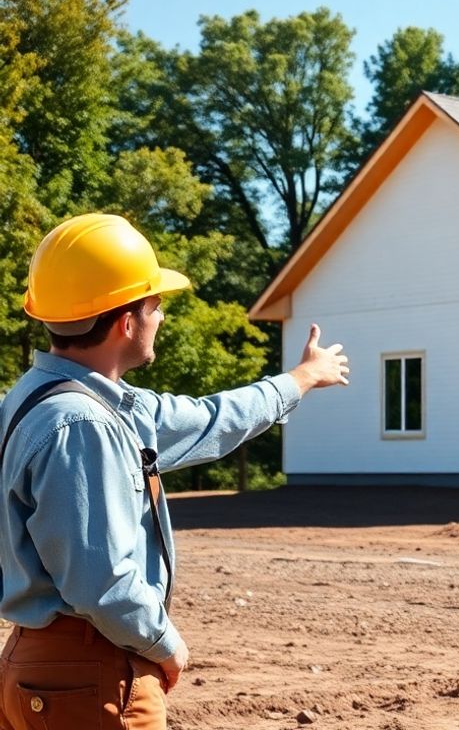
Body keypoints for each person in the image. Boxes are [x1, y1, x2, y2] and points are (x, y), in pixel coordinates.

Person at [0, 213, 349, 729]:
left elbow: (212, 418)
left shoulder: (39, 399)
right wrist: (164, 643)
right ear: (125, 322)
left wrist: (301, 378)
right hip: (91, 672)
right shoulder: (85, 424)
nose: (160, 316)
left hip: (33, 666)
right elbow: (101, 579)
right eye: (155, 305)